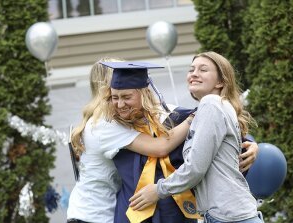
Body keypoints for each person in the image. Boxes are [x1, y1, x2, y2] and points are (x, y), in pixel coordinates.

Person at [129, 52, 262, 223]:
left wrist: (158, 190)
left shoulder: (211, 104)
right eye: (191, 69)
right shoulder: (215, 107)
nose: (194, 74)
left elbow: (196, 167)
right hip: (225, 214)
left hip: (230, 216)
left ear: (221, 81)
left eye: (203, 70)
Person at [67, 59, 195, 223]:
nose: (120, 103)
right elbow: (160, 147)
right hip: (94, 215)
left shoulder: (104, 119)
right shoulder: (105, 124)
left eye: (126, 95)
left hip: (93, 211)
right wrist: (193, 118)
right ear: (108, 87)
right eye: (116, 95)